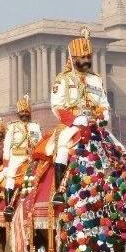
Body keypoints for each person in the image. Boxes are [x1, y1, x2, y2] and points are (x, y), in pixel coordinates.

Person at [44, 27, 107, 204]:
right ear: (74, 58)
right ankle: (59, 191)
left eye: (89, 57)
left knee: (118, 150)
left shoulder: (96, 79)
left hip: (95, 124)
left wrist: (104, 116)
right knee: (63, 144)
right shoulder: (63, 79)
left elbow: (103, 103)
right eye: (83, 57)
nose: (87, 60)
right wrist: (74, 120)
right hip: (71, 125)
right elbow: (56, 105)